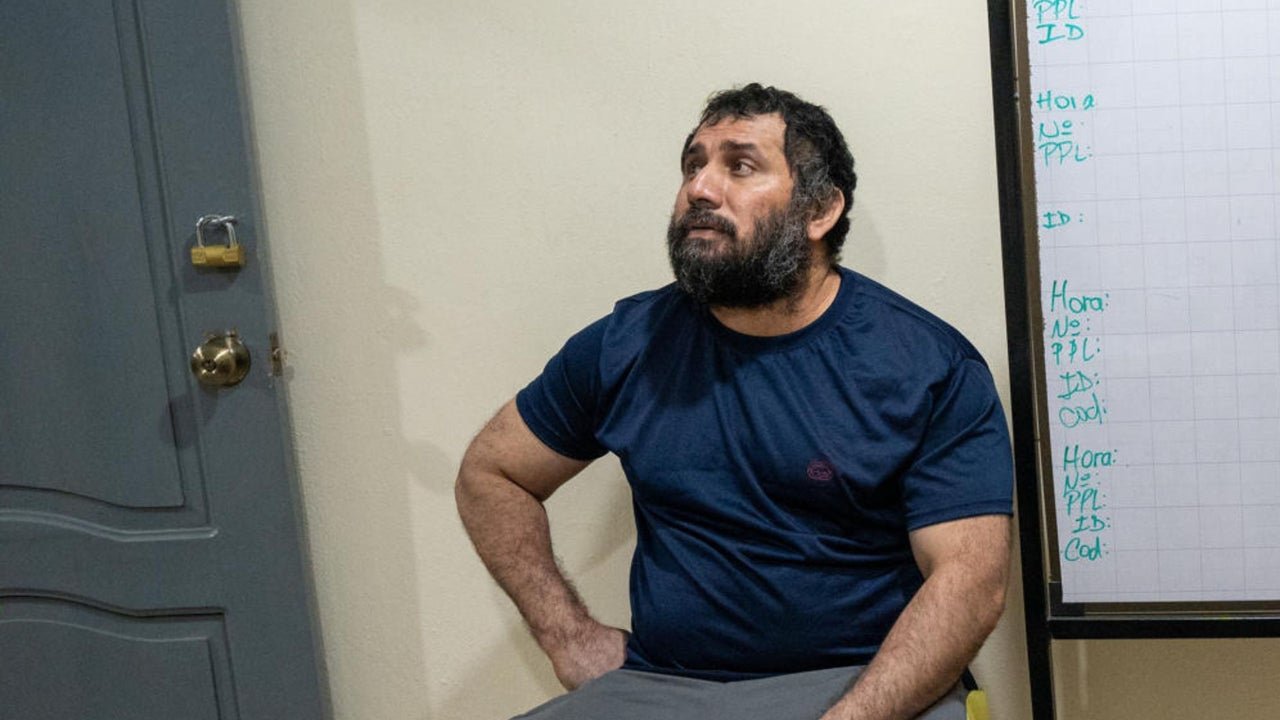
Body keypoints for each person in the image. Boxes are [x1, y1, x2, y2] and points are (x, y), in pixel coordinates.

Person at [455, 83, 1013, 720]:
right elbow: (493, 473)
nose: (700, 188)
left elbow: (971, 582)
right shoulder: (627, 344)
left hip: (864, 684)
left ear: (819, 211)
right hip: (664, 687)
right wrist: (568, 637)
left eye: (740, 166)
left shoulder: (926, 365)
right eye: (693, 165)